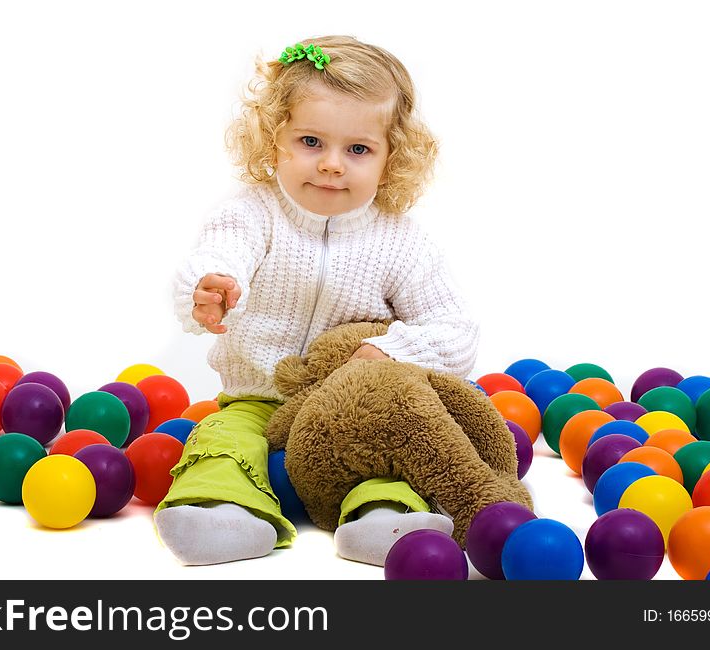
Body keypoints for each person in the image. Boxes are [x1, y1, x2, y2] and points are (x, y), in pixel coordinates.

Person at [154, 35, 480, 566]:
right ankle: (225, 513)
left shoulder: (401, 239)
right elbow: (222, 251)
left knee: (388, 456)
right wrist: (211, 285)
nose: (332, 164)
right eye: (311, 141)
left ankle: (381, 518)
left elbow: (454, 327)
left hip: (355, 411)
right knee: (222, 439)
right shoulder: (252, 213)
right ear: (273, 138)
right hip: (257, 402)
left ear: (390, 158)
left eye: (357, 149)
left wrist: (393, 352)